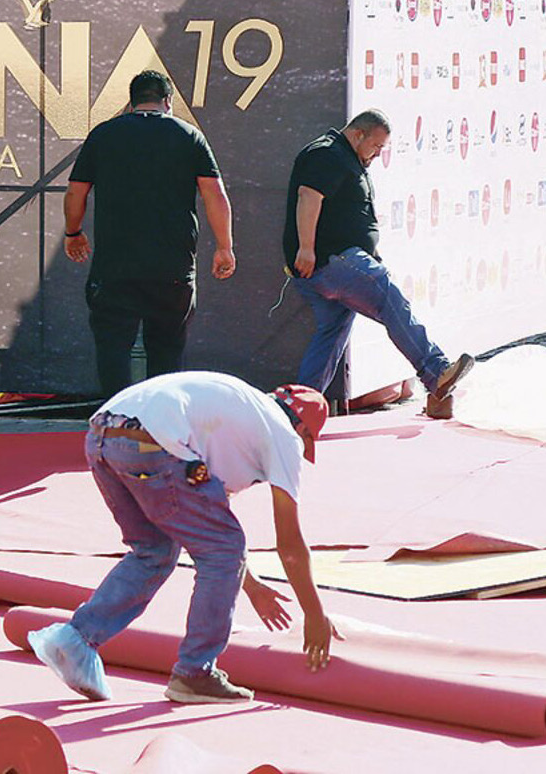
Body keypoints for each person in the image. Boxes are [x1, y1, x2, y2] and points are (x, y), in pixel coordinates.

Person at [28, 372, 339, 704]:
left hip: (102, 436)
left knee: (154, 551)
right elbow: (288, 545)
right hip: (154, 443)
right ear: (303, 430)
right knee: (222, 548)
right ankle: (195, 673)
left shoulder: (234, 414)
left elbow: (204, 527)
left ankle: (74, 640)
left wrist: (252, 586)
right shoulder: (283, 436)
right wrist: (314, 613)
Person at [283, 109, 474, 411]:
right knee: (389, 297)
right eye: (376, 146)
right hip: (332, 261)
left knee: (331, 333)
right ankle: (436, 373)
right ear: (358, 134)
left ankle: (297, 412)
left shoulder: (345, 157)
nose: (378, 154)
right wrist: (306, 248)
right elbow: (308, 197)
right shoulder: (328, 154)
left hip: (332, 263)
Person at [64, 69, 236, 398]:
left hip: (115, 267)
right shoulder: (189, 136)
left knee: (113, 348)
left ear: (131, 102)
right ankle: (161, 427)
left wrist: (74, 233)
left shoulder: (104, 135)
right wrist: (224, 247)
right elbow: (216, 195)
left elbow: (76, 193)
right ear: (168, 102)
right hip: (173, 267)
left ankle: (114, 423)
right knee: (167, 350)